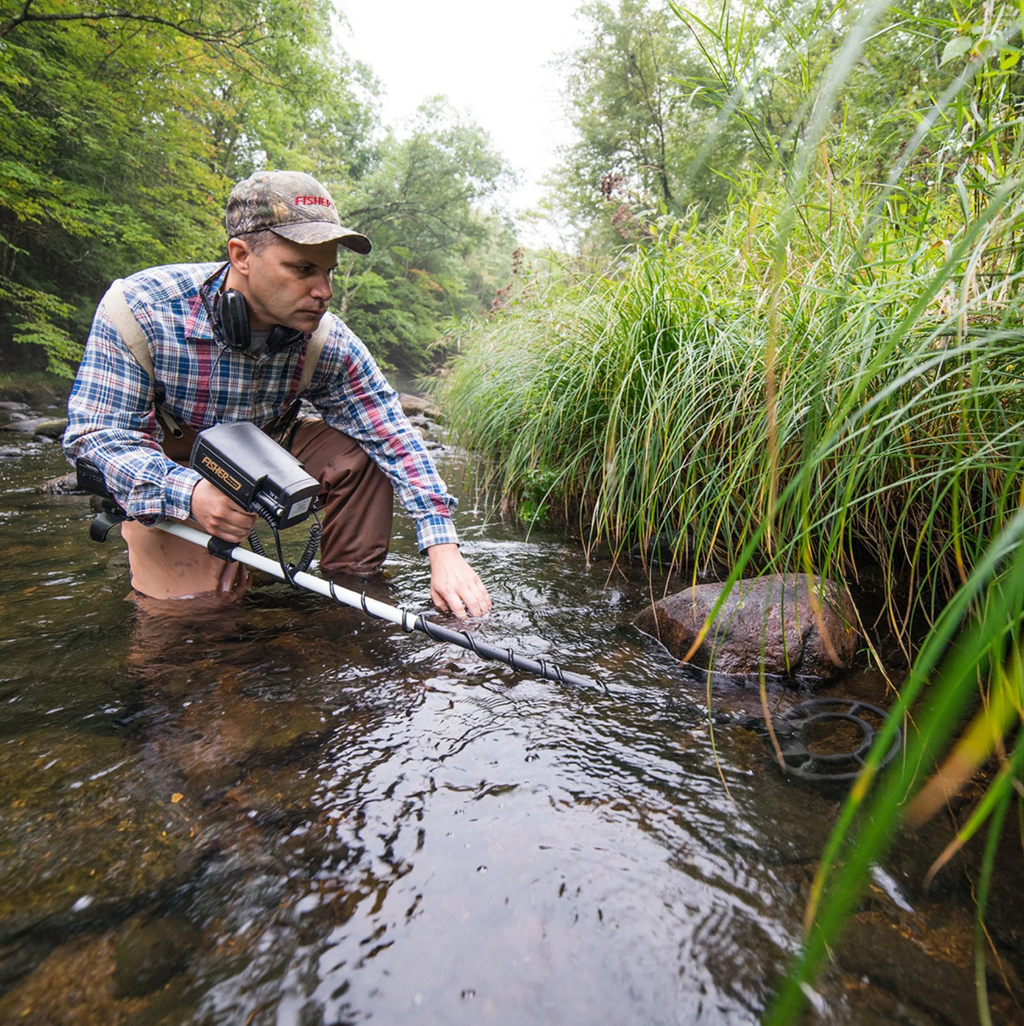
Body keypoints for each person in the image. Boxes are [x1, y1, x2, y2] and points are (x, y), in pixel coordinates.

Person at [63, 170, 492, 618]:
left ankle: (350, 601)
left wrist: (444, 549)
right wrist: (189, 494)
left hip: (268, 451)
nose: (324, 291)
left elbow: (394, 436)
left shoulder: (327, 342)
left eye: (328, 271)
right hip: (173, 470)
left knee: (364, 452)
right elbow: (95, 438)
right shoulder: (140, 310)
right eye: (303, 269)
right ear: (241, 255)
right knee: (199, 614)